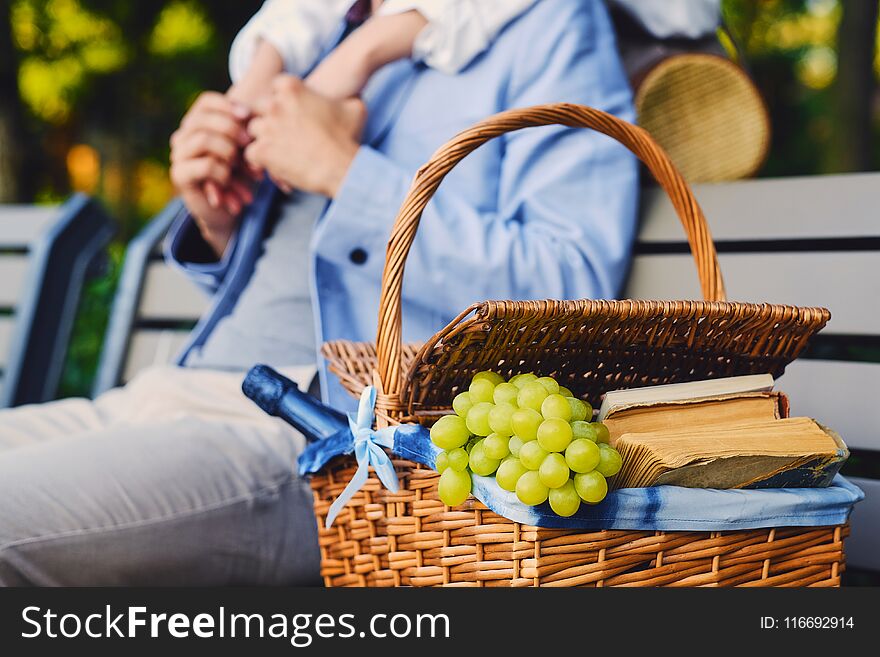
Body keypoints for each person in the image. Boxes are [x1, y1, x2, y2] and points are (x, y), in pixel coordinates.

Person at [0, 0, 637, 585]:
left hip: (318, 440)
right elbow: (298, 277)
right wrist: (221, 218)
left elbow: (570, 278)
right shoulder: (322, 24)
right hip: (164, 395)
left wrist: (344, 171)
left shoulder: (545, 23)